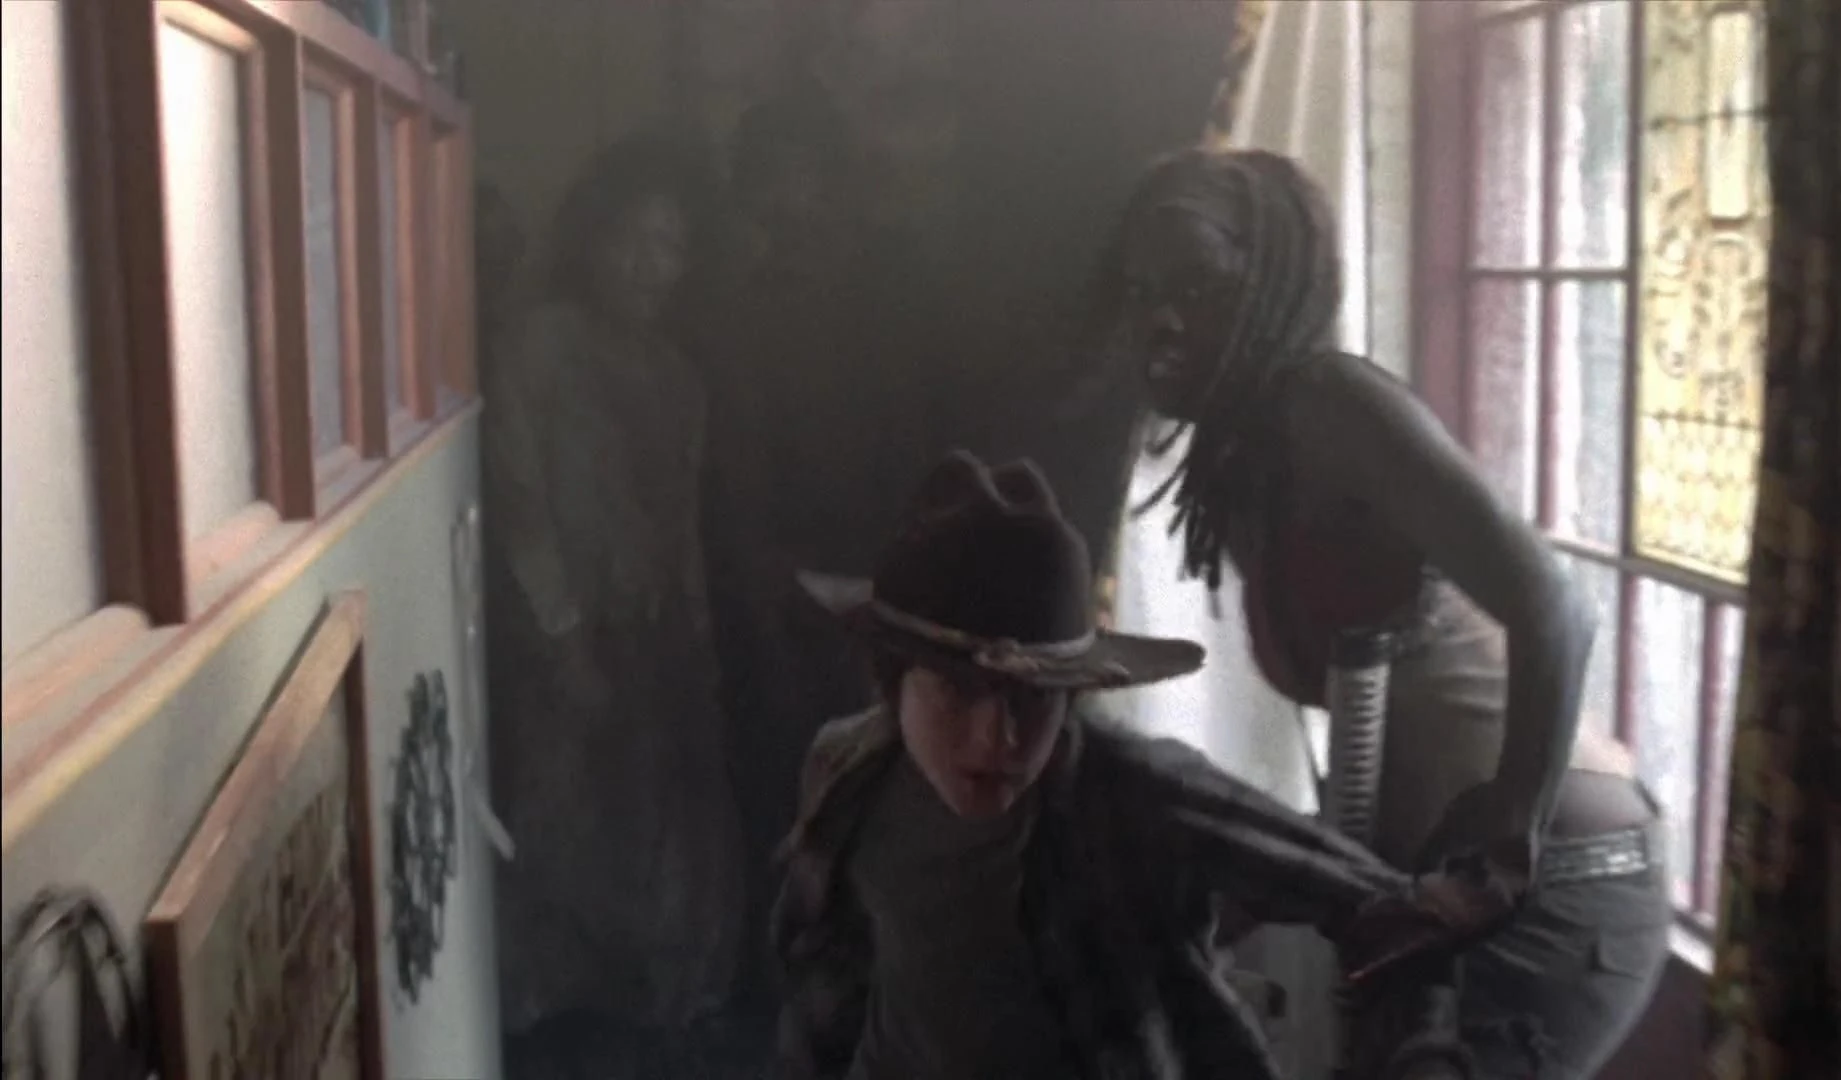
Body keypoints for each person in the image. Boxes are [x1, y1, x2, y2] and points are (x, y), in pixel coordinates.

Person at [1087, 147, 1671, 1078]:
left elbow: (1556, 606)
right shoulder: (1244, 460)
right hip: (1436, 886)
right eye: (1141, 290)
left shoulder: (1329, 401)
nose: (1160, 318)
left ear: (1271, 284)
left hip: (1551, 878)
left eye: (1196, 285)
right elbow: (1386, 738)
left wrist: (1509, 846)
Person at [771, 450, 1482, 1080]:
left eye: (1033, 698)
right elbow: (830, 968)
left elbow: (1398, 912)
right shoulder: (847, 774)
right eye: (959, 692)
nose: (998, 737)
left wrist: (1422, 1058)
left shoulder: (1140, 797)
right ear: (893, 683)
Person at [484, 134, 746, 1065]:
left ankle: (659, 1006)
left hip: (654, 634)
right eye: (634, 240)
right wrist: (564, 636)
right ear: (595, 239)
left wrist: (696, 642)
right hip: (556, 631)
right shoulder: (539, 347)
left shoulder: (680, 379)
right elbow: (519, 505)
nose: (651, 266)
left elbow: (682, 525)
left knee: (665, 833)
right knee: (560, 826)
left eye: (670, 246)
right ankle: (555, 1017)